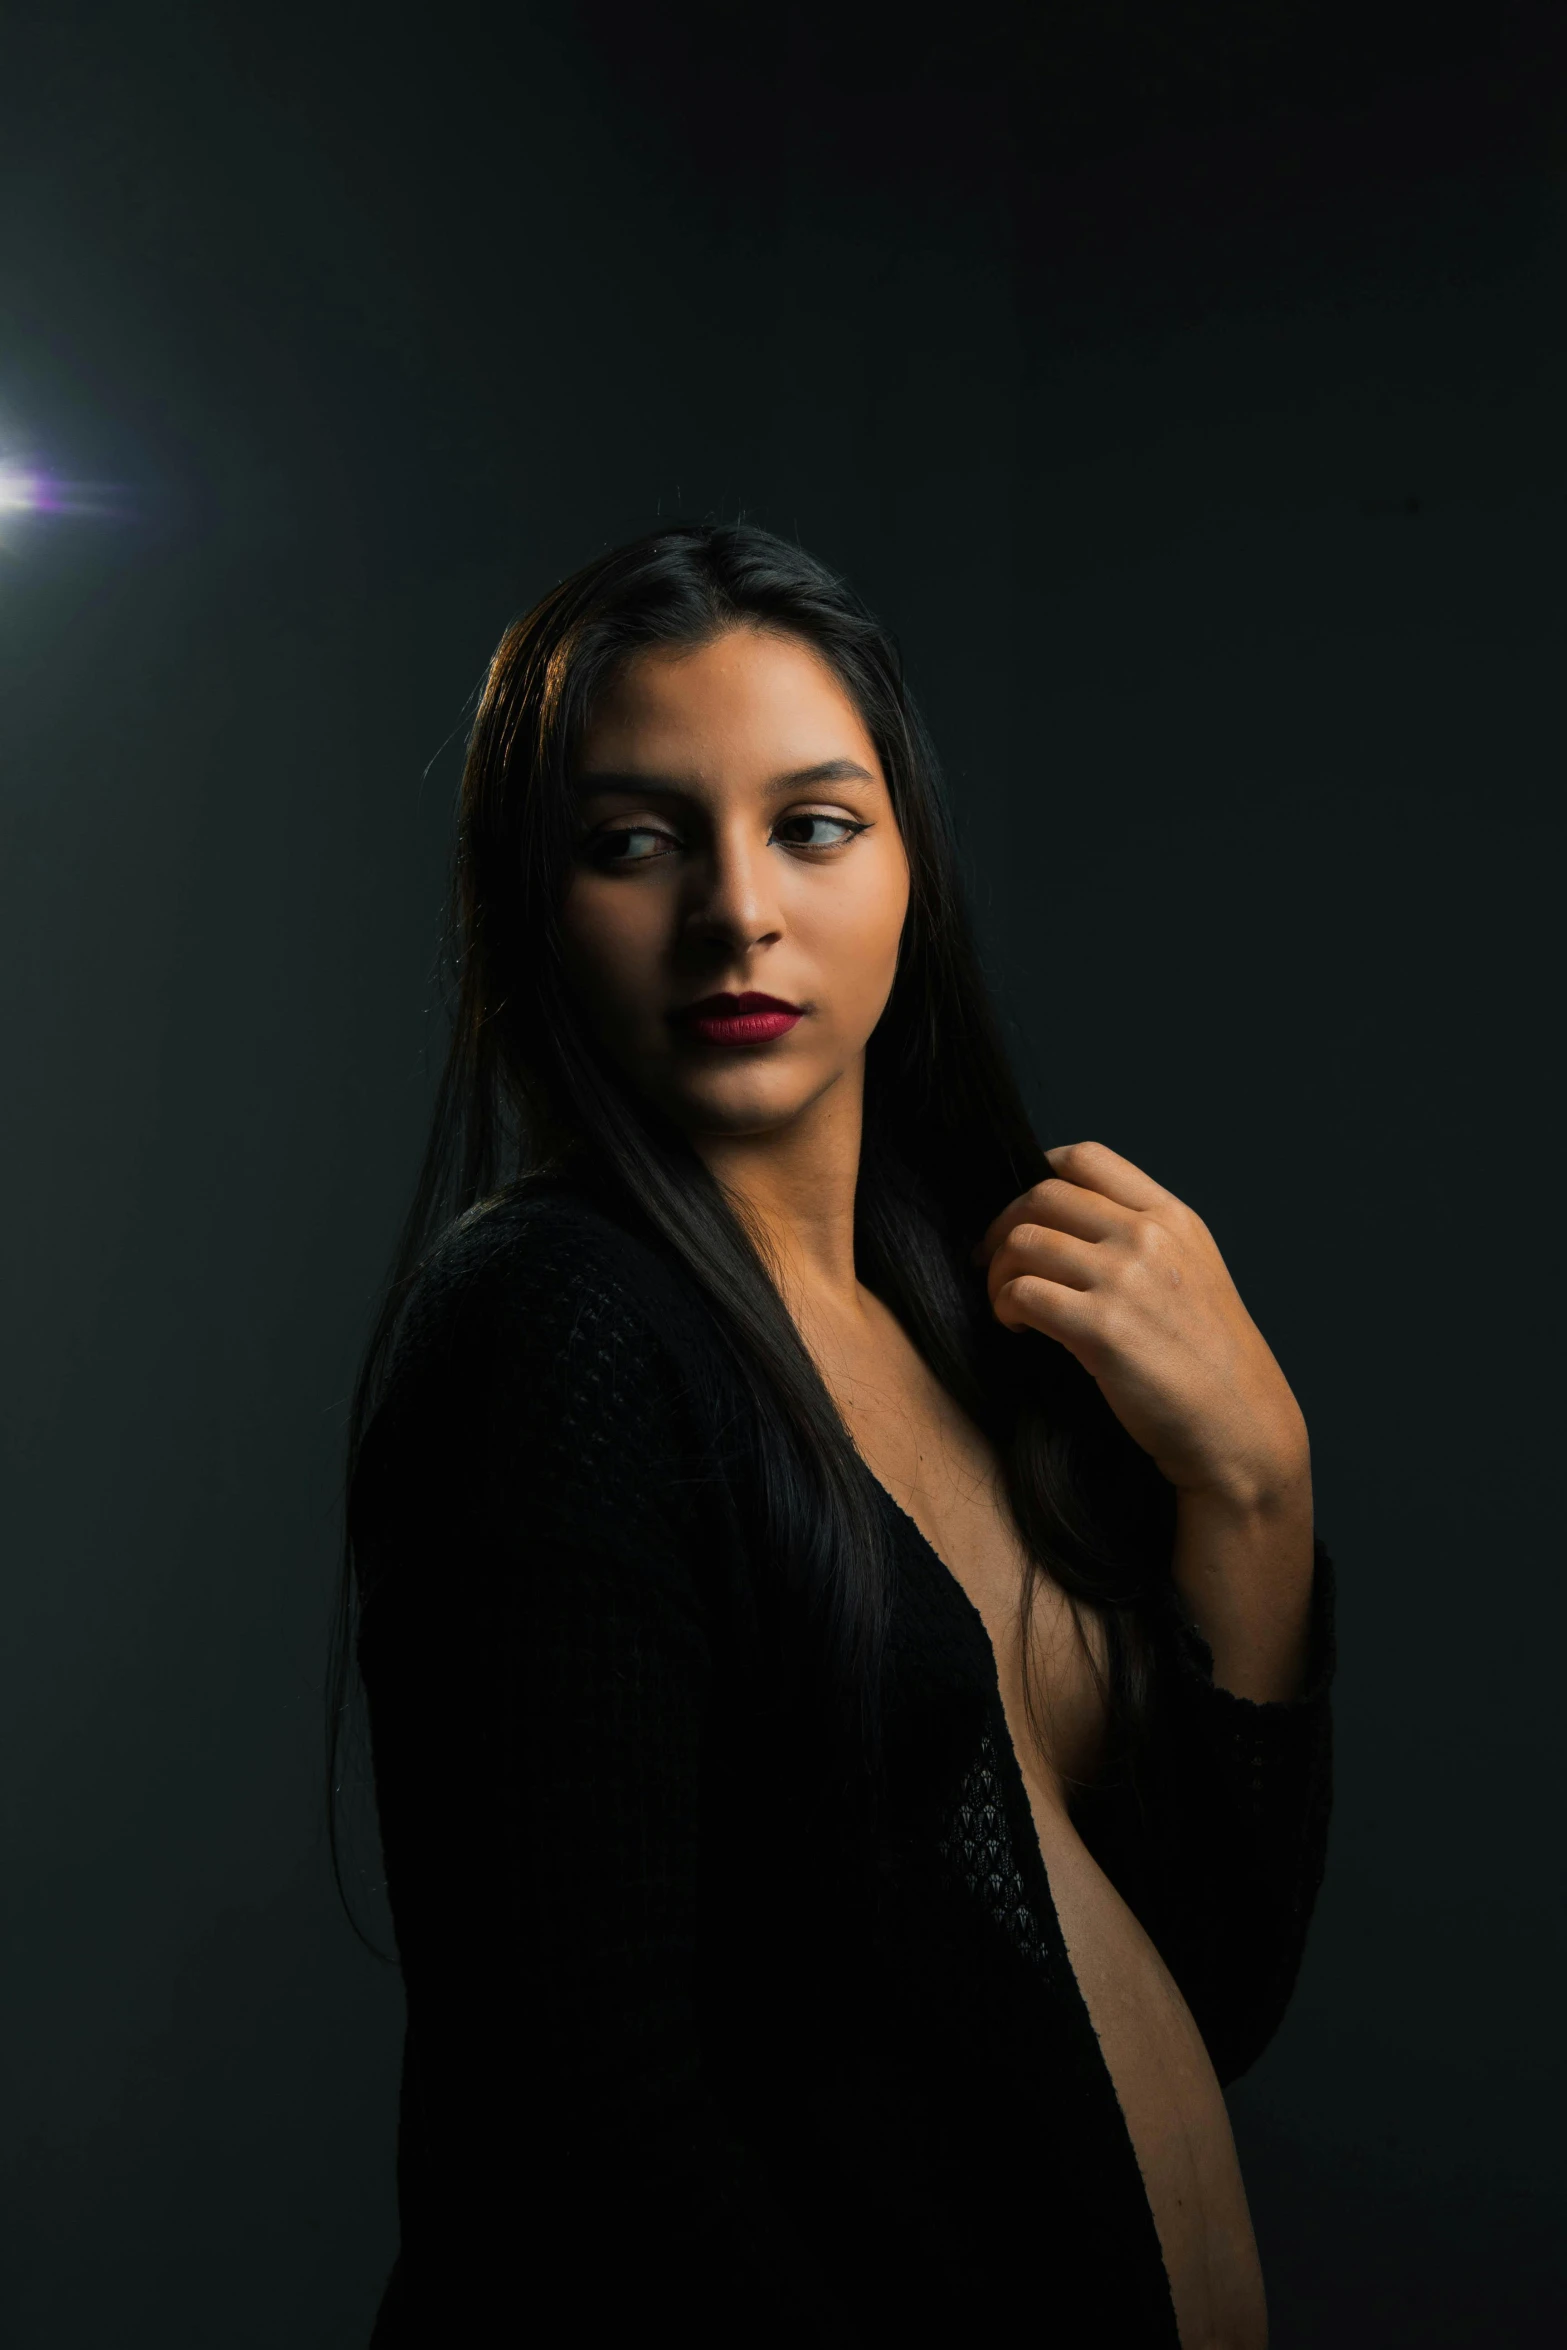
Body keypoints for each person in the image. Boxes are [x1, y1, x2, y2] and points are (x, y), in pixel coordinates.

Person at [338, 522, 1335, 2347]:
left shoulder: (984, 1320)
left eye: (812, 824)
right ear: (535, 902)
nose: (739, 910)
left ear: (908, 874)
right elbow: (590, 2142)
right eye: (635, 841)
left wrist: (1251, 1483)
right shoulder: (555, 1329)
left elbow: (1199, 1983)